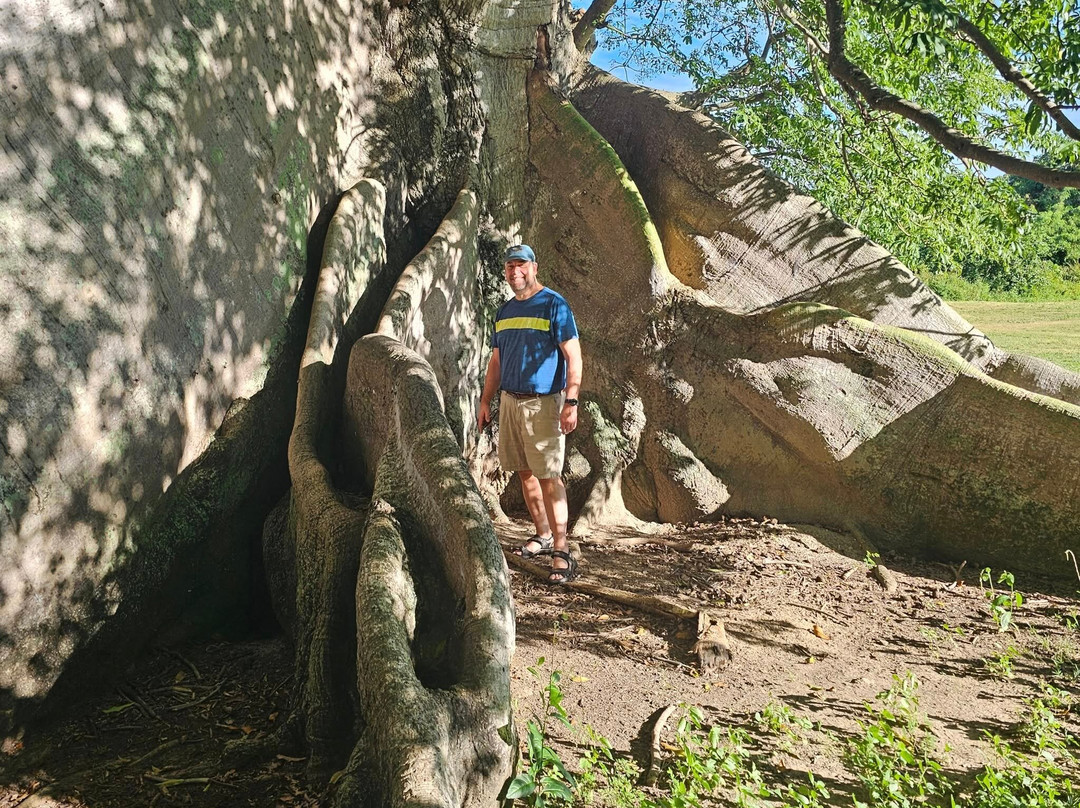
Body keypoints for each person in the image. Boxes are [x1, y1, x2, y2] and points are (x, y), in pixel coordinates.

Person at [477, 244, 583, 584]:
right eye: (510, 266)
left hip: (544, 403)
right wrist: (485, 401)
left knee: (549, 475)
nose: (515, 271)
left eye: (521, 264)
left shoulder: (554, 304)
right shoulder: (504, 312)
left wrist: (571, 402)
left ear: (534, 267)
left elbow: (573, 356)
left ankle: (562, 550)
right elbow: (496, 361)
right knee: (524, 471)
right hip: (510, 401)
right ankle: (543, 533)